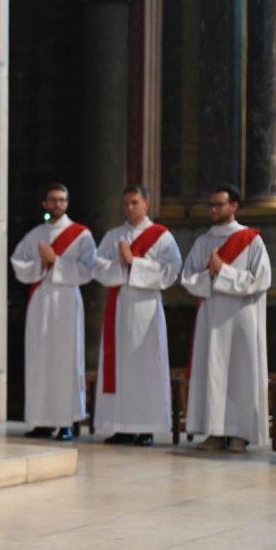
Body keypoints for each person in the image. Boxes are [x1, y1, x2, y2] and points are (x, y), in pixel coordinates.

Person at [181, 185, 271, 453]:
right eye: (211, 205)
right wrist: (210, 276)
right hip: (212, 319)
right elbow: (187, 278)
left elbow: (262, 279)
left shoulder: (251, 240)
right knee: (214, 373)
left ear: (234, 206)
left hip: (242, 317)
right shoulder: (203, 242)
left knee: (240, 373)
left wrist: (223, 272)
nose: (213, 209)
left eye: (219, 204)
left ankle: (240, 434)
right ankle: (215, 431)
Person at [91, 185, 182, 446]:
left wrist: (134, 264)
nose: (129, 208)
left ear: (147, 204)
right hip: (118, 309)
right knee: (120, 366)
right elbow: (97, 266)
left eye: (135, 203)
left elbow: (172, 270)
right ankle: (121, 426)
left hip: (146, 311)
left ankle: (146, 427)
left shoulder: (162, 236)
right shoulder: (113, 236)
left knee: (145, 366)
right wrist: (121, 267)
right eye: (126, 204)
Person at [10, 183, 95, 441]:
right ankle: (42, 422)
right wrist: (40, 264)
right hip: (40, 301)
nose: (57, 204)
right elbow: (18, 264)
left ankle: (67, 421)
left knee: (66, 360)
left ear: (67, 203)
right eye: (52, 200)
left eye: (62, 200)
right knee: (39, 359)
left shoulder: (81, 235)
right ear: (44, 204)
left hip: (67, 301)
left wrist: (56, 261)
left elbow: (88, 270)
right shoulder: (35, 235)